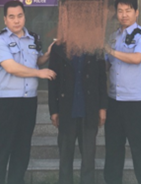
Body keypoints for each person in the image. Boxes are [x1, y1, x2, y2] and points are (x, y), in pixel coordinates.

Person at [0, 0, 56, 184]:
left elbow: (36, 61)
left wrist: (47, 55)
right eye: (11, 17)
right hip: (6, 101)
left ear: (24, 16)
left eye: (19, 16)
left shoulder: (33, 38)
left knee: (22, 148)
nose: (16, 20)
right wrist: (39, 73)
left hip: (28, 101)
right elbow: (11, 67)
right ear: (5, 19)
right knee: (1, 148)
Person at [103, 0, 141, 184]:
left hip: (136, 103)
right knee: (113, 149)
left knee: (140, 149)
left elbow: (137, 58)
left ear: (136, 12)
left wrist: (109, 50)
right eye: (120, 11)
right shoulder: (113, 37)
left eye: (128, 10)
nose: (124, 15)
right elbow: (106, 65)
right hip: (114, 101)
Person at [48, 42, 107, 184]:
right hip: (66, 109)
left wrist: (102, 107)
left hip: (89, 109)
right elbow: (52, 81)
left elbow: (102, 78)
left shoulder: (96, 46)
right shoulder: (58, 47)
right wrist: (54, 110)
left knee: (88, 158)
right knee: (65, 157)